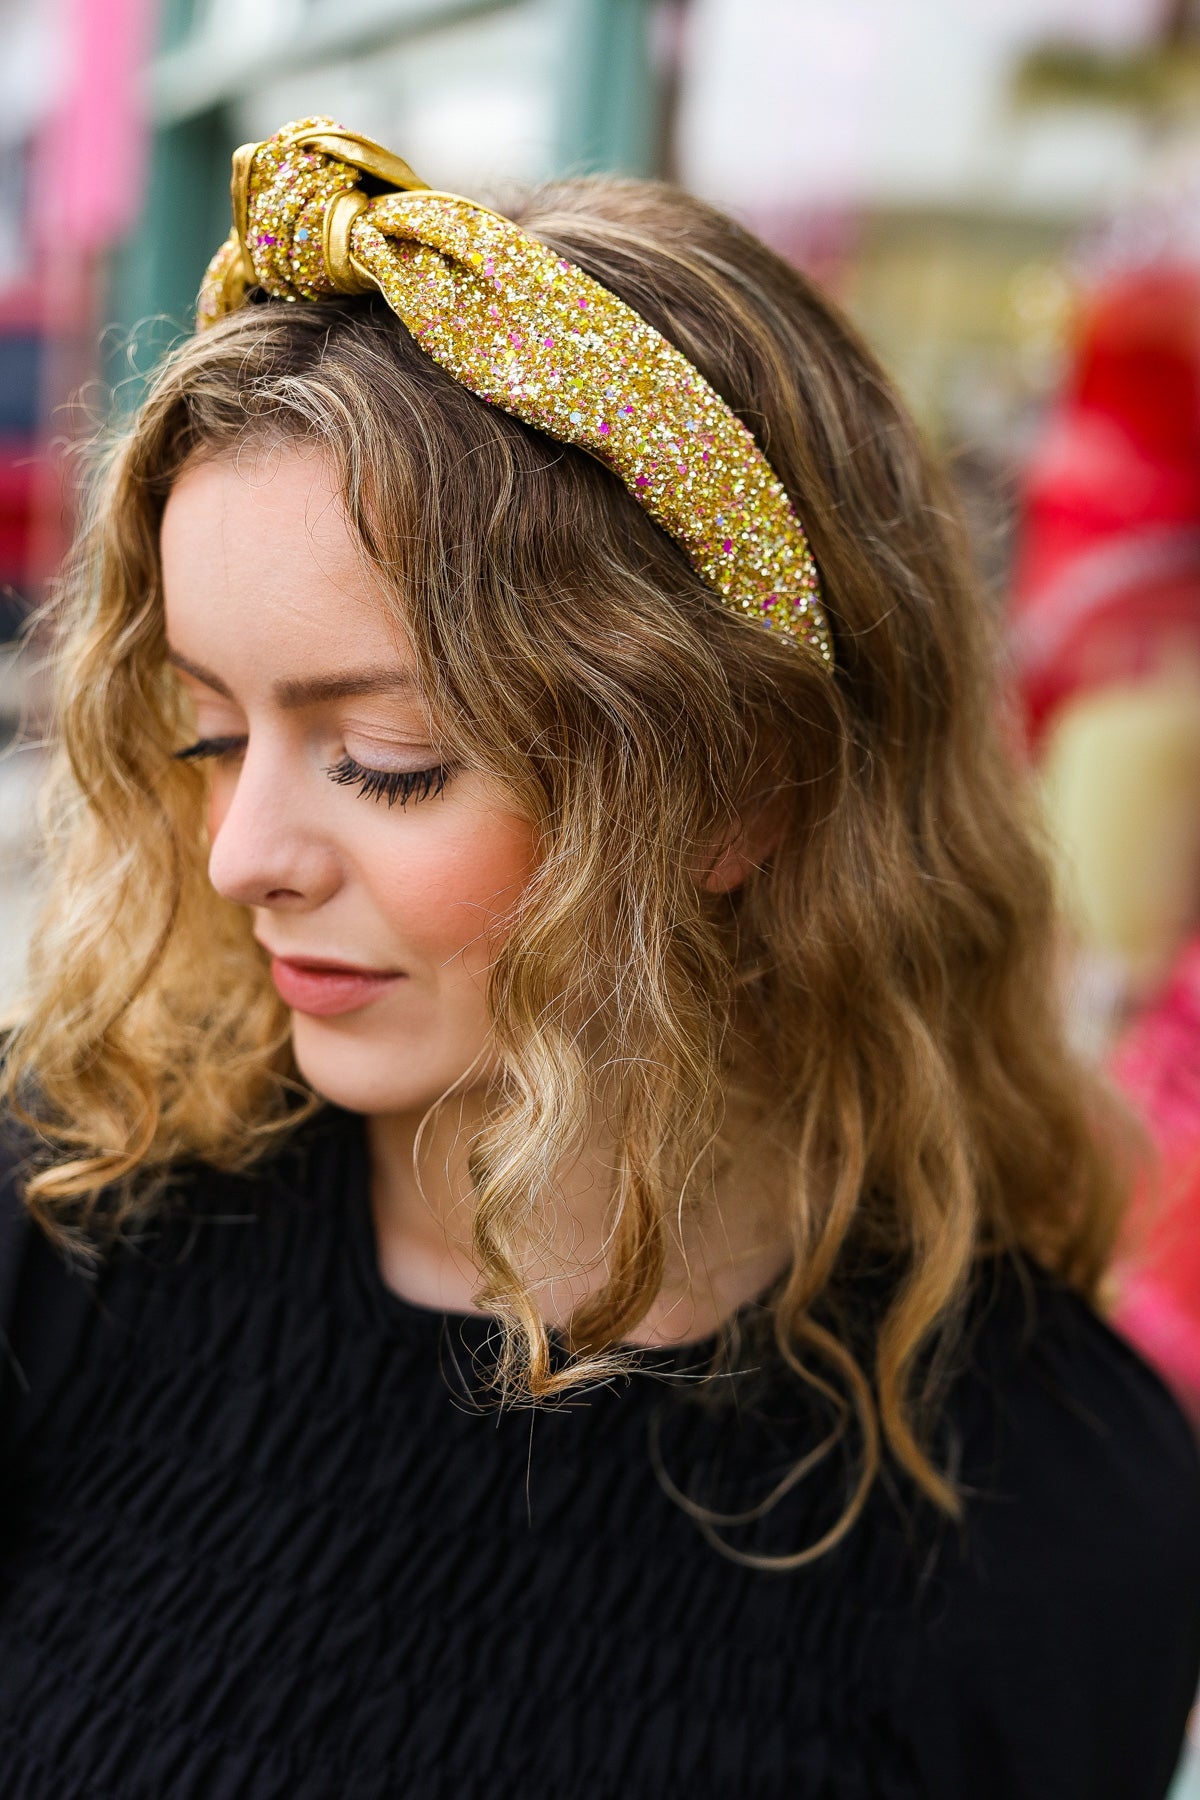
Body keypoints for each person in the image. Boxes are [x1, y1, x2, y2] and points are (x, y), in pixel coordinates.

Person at [0, 117, 1197, 1800]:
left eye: (389, 757)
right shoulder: (65, 1228)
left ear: (741, 788)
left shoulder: (1048, 1505)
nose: (242, 854)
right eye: (210, 734)